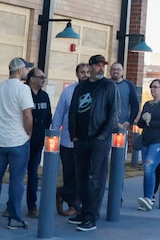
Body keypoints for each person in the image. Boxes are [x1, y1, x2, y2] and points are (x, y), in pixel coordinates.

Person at [0, 57, 35, 230]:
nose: (28, 71)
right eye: (26, 68)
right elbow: (27, 115)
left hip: (0, 141)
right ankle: (14, 218)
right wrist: (28, 133)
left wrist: (1, 127)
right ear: (19, 71)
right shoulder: (23, 89)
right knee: (16, 181)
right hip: (18, 141)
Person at [67, 53, 119, 232]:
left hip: (99, 139)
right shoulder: (81, 87)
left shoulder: (108, 86)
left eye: (102, 65)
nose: (100, 68)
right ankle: (83, 211)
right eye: (97, 65)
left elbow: (113, 112)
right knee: (80, 176)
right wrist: (72, 133)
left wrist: (103, 135)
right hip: (81, 138)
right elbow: (73, 109)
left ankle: (91, 216)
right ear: (90, 67)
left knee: (95, 178)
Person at [54, 61, 89, 218]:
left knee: (82, 174)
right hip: (67, 141)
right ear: (77, 74)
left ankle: (64, 194)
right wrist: (53, 135)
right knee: (70, 173)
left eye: (88, 72)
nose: (86, 75)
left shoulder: (94, 92)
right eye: (82, 72)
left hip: (86, 141)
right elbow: (59, 114)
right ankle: (73, 205)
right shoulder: (68, 92)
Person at [133, 79, 160, 210]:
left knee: (149, 166)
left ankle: (149, 198)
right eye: (151, 87)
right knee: (147, 169)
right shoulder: (147, 104)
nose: (153, 89)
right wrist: (143, 119)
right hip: (146, 140)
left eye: (155, 87)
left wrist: (150, 122)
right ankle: (147, 198)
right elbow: (140, 125)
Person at [22, 67, 52, 219]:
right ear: (31, 78)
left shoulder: (44, 96)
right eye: (40, 77)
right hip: (23, 139)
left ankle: (32, 206)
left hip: (38, 141)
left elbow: (48, 117)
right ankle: (10, 205)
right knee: (18, 173)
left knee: (33, 173)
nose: (43, 80)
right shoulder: (23, 93)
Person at [111, 62, 141, 169]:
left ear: (122, 72)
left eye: (118, 69)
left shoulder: (128, 85)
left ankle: (118, 184)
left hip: (122, 127)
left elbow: (135, 105)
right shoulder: (105, 84)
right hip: (106, 127)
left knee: (119, 160)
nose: (116, 71)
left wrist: (129, 122)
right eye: (113, 69)